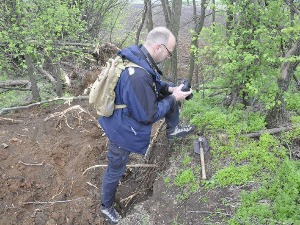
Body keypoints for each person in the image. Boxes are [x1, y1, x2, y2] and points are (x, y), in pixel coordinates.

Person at [98, 26, 195, 224]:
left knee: (169, 96)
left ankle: (173, 129)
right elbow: (148, 116)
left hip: (123, 116)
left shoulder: (138, 56)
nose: (169, 56)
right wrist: (174, 98)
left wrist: (171, 89)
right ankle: (106, 207)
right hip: (121, 130)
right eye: (169, 52)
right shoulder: (137, 75)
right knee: (116, 168)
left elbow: (154, 83)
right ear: (159, 47)